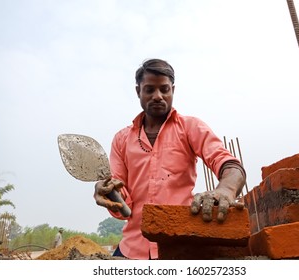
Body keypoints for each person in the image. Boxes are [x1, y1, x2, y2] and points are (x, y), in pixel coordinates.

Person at [94, 58, 246, 259]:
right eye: (149, 90)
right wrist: (108, 193)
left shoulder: (190, 127)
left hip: (181, 244)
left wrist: (226, 190)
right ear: (138, 91)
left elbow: (230, 165)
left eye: (164, 89)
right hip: (134, 247)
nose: (158, 96)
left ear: (172, 90)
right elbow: (122, 200)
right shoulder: (122, 139)